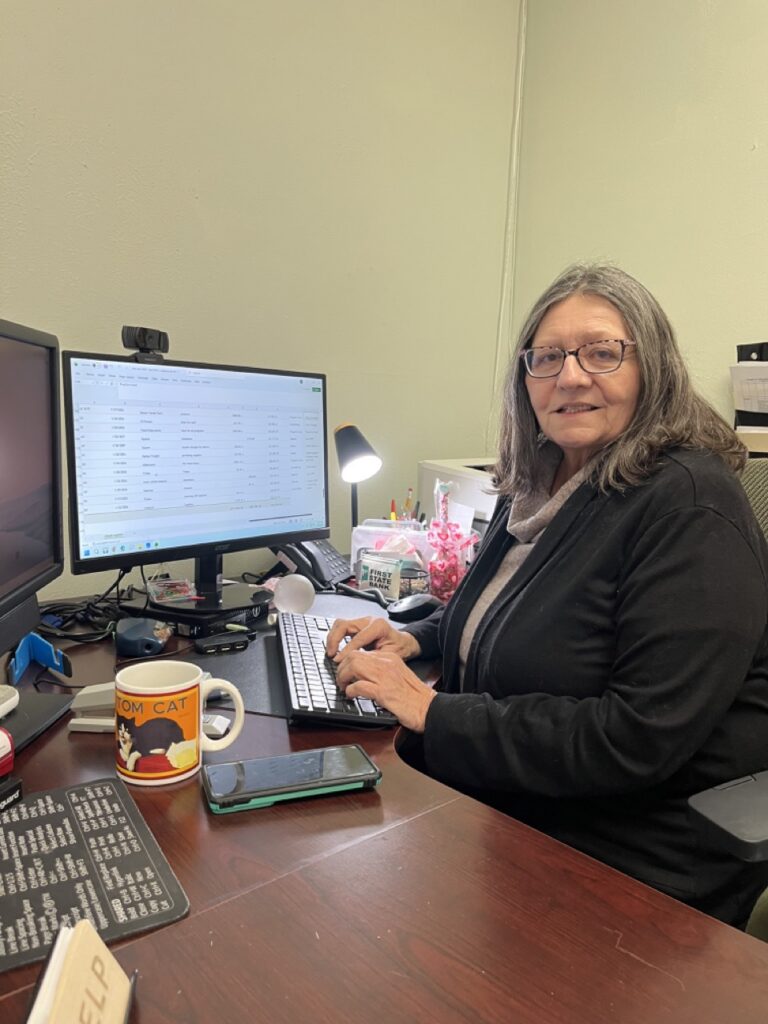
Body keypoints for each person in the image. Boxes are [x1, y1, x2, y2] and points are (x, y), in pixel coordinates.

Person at [326, 262, 768, 928]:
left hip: (631, 855)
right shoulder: (546, 481)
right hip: (513, 801)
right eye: (548, 357)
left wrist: (430, 709)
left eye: (601, 353)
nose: (570, 376)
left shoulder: (689, 505)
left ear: (652, 369)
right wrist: (422, 638)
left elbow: (633, 741)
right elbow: (519, 607)